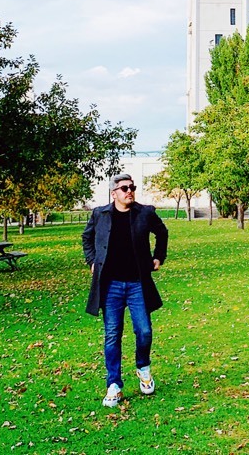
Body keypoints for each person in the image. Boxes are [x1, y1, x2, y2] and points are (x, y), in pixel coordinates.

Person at [82, 173, 169, 407]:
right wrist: (91, 260)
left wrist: (158, 257)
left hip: (137, 284)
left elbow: (162, 232)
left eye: (132, 187)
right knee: (112, 335)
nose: (129, 191)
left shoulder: (145, 213)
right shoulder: (100, 215)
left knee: (144, 331)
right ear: (114, 193)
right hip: (110, 286)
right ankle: (114, 385)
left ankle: (143, 367)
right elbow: (86, 238)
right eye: (124, 188)